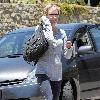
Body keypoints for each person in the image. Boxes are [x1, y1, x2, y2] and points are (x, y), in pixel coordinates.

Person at [35, 3, 71, 100]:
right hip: (43, 72)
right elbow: (50, 40)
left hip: (57, 74)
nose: (54, 17)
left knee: (55, 98)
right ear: (46, 15)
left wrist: (69, 48)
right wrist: (46, 23)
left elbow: (67, 56)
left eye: (56, 14)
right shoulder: (40, 30)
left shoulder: (62, 32)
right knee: (49, 97)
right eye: (51, 14)